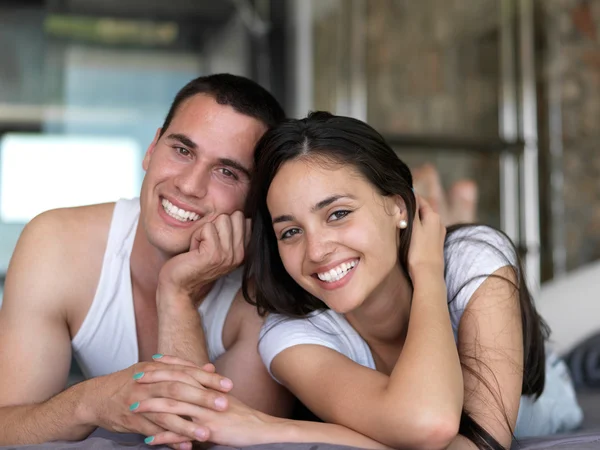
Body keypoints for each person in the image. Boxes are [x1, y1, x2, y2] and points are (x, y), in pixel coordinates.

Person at [140, 111, 582, 449]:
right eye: (290, 231)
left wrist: (429, 273)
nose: (316, 251)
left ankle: (448, 219)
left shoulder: (470, 259)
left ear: (397, 206)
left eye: (338, 213)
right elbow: (428, 428)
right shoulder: (288, 336)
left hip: (545, 385)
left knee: (473, 257)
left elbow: (460, 435)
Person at [0, 73, 293, 448]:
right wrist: (89, 401)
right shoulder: (57, 244)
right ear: (152, 148)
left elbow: (197, 446)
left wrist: (177, 293)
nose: (189, 185)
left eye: (226, 172)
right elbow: (7, 428)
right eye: (182, 150)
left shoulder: (265, 300)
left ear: (257, 199)